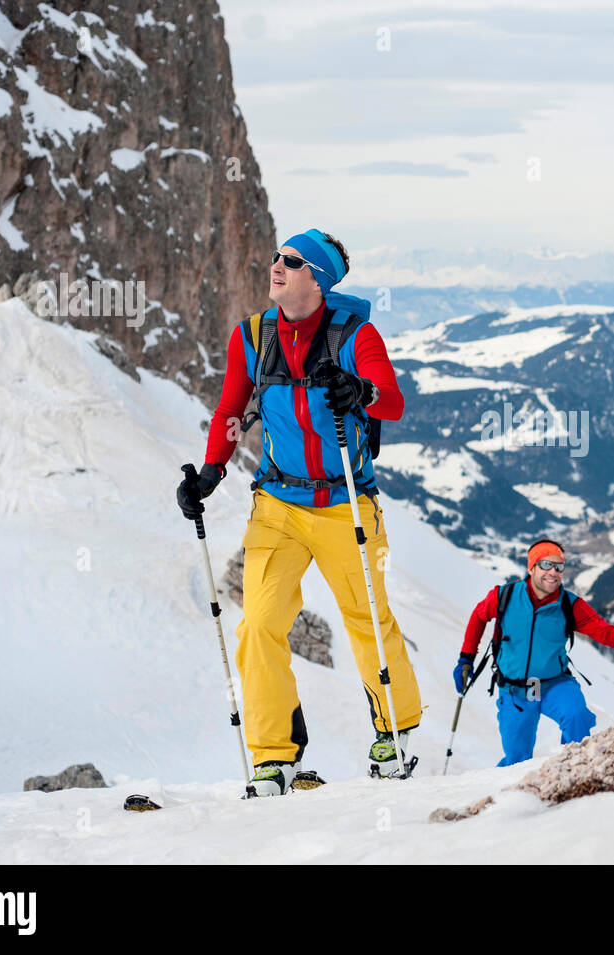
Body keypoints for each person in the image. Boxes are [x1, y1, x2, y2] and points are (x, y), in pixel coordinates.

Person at [177, 228, 421, 794]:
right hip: (277, 503)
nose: (276, 267)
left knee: (368, 619)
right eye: (276, 258)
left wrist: (359, 392)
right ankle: (273, 756)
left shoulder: (356, 336)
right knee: (258, 623)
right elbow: (231, 409)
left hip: (345, 503)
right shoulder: (252, 336)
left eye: (292, 261)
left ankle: (396, 732)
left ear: (319, 278)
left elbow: (393, 400)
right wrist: (211, 472)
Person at [453, 539, 614, 766]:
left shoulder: (570, 605)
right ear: (531, 567)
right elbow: (478, 616)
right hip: (514, 689)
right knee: (516, 758)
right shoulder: (504, 597)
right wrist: (466, 659)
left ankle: (577, 768)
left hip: (555, 683)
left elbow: (610, 637)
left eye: (559, 566)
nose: (553, 572)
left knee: (576, 717)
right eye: (546, 565)